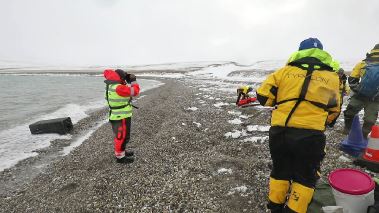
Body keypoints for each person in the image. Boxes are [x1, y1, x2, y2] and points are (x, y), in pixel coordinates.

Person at [256, 38, 341, 213]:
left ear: (300, 51)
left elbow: (263, 97)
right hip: (311, 135)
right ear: (322, 54)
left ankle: (275, 207)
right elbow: (334, 111)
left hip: (281, 132)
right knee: (305, 176)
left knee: (280, 170)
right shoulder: (332, 78)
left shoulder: (283, 72)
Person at [103, 69, 140, 163]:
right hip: (121, 116)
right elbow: (134, 91)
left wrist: (124, 81)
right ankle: (120, 157)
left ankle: (122, 151)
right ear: (121, 78)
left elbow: (121, 94)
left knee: (122, 136)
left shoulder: (111, 86)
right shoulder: (118, 88)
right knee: (122, 137)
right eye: (124, 77)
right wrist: (133, 81)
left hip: (116, 116)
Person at [343, 44, 379, 138]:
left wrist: (358, 90)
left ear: (372, 51)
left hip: (360, 96)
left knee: (349, 112)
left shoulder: (362, 63)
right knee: (370, 120)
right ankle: (363, 136)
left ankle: (347, 130)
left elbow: (352, 80)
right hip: (376, 98)